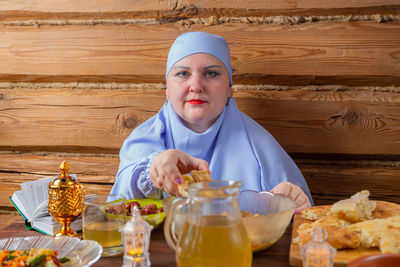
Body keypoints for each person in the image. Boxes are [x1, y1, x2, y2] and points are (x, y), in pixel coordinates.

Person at [110, 31, 313, 211]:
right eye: (182, 74)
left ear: (230, 89)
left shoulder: (260, 145)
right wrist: (152, 171)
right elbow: (118, 204)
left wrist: (295, 202)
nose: (196, 86)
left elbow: (300, 215)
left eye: (211, 73)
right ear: (167, 89)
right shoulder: (143, 140)